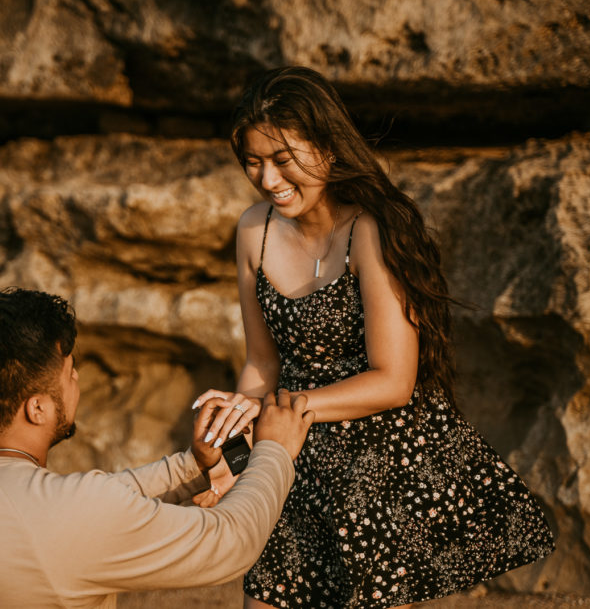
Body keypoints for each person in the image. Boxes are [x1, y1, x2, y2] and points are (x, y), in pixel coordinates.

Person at [192, 66, 555, 608]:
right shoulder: (253, 230)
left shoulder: (371, 230)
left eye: (283, 160)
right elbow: (262, 364)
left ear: (329, 150)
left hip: (379, 456)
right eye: (253, 162)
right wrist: (235, 414)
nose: (267, 179)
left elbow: (395, 381)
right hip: (292, 448)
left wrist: (287, 411)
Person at [0, 287, 316, 608]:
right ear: (36, 408)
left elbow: (89, 504)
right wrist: (274, 451)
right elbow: (231, 543)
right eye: (69, 372)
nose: (76, 381)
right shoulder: (65, 515)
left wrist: (196, 465)